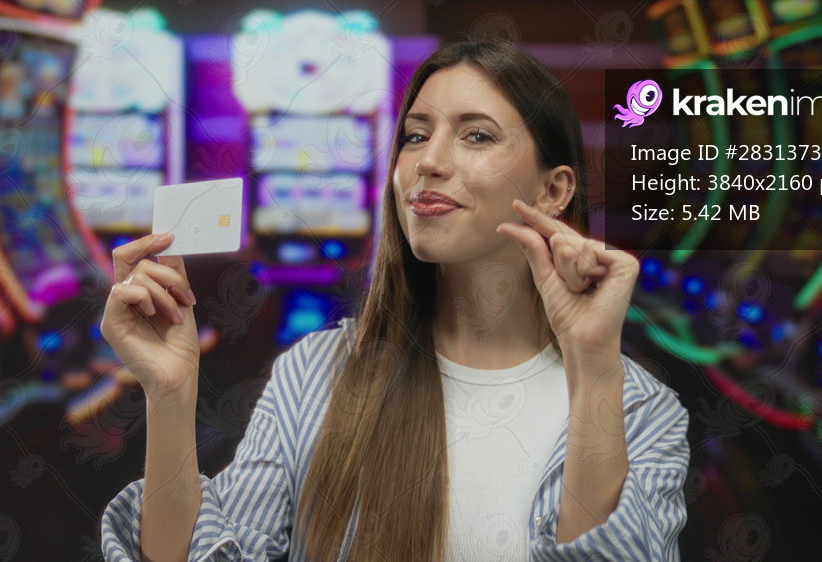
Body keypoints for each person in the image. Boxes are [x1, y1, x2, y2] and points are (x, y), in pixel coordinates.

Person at [99, 38, 689, 562]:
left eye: (476, 135)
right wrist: (171, 395)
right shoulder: (316, 373)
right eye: (415, 136)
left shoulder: (641, 409)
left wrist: (592, 366)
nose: (428, 162)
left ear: (554, 189)